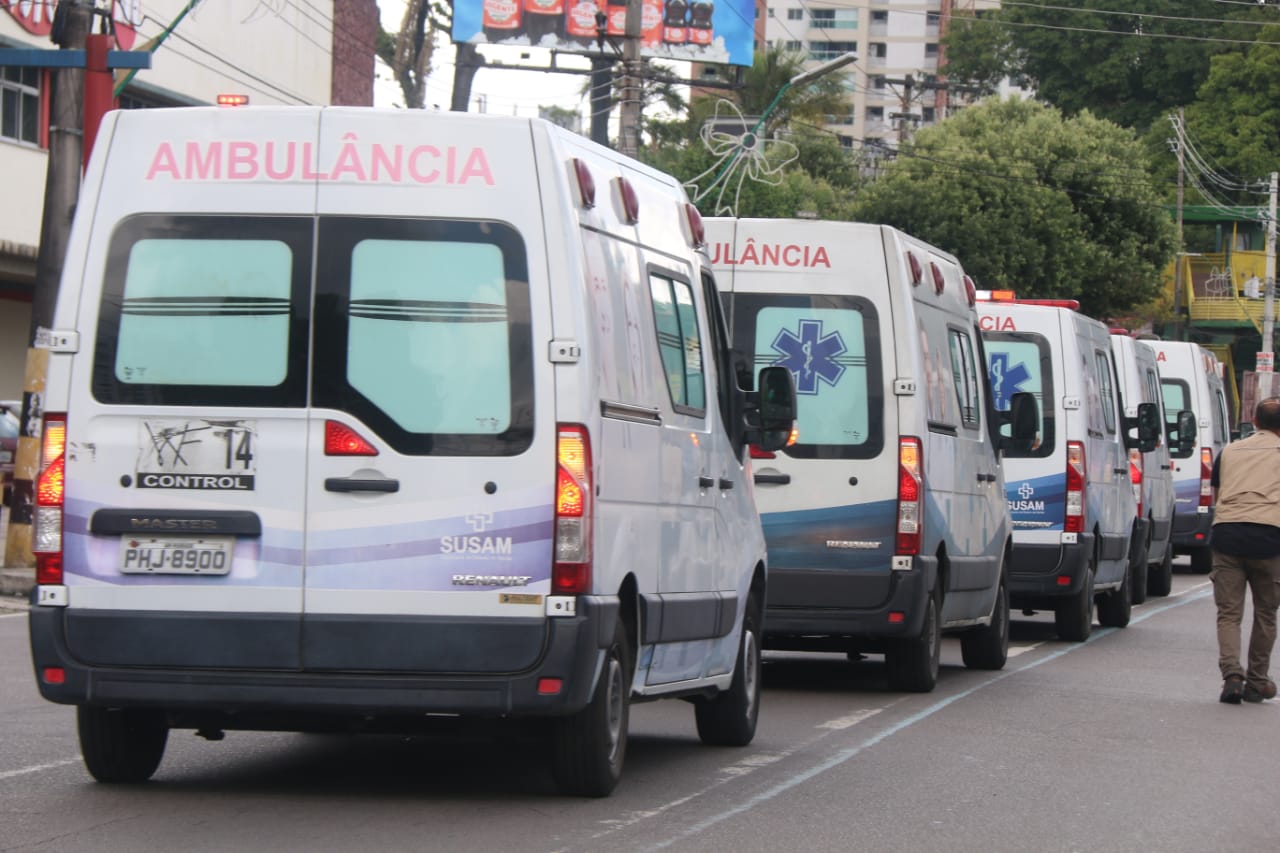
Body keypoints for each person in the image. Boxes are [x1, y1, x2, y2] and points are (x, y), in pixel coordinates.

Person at [1211, 396, 1280, 704]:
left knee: (1229, 612)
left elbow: (1217, 491)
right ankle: (1257, 680)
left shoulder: (1228, 452)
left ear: (1254, 422)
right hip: (1270, 538)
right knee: (1266, 612)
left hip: (1227, 534)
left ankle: (1232, 675)